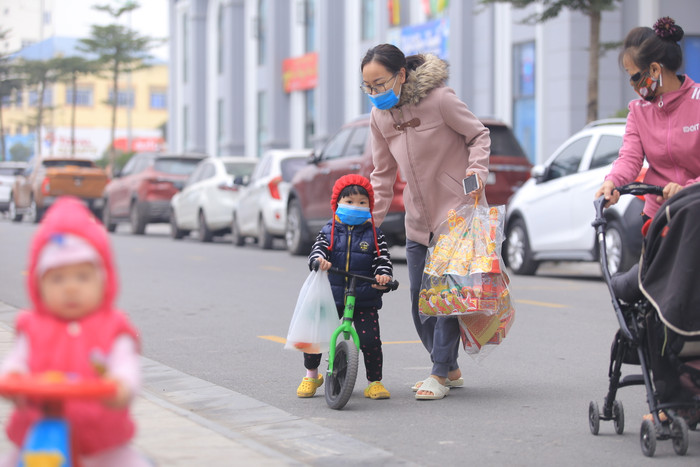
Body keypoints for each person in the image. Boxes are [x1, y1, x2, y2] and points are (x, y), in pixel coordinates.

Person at [362, 44, 490, 400]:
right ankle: (448, 366)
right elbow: (382, 175)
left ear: (401, 75)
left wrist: (476, 172)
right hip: (418, 219)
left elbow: (479, 134)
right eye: (367, 87)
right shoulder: (379, 118)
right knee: (421, 299)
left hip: (456, 211)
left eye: (379, 84)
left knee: (446, 298)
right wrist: (368, 224)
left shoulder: (440, 100)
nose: (374, 93)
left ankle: (437, 371)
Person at [0, 197, 148, 466]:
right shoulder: (32, 327)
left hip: (103, 440)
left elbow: (126, 364)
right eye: (57, 278)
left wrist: (121, 386)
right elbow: (17, 360)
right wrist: (13, 378)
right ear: (38, 283)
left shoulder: (113, 327)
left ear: (103, 280)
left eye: (82, 277)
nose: (71, 288)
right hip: (40, 430)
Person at [297, 174, 394, 400]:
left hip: (364, 296)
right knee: (315, 337)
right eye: (349, 202)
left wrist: (383, 275)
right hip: (331, 295)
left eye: (362, 203)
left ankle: (374, 382)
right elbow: (319, 249)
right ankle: (312, 374)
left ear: (370, 206)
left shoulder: (374, 234)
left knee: (370, 341)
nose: (356, 206)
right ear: (337, 203)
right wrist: (320, 260)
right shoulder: (329, 231)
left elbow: (383, 259)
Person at [595, 16, 700, 219]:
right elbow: (630, 158)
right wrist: (612, 182)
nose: (632, 84)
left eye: (634, 76)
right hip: (657, 217)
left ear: (654, 69)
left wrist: (688, 189)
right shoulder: (638, 111)